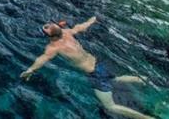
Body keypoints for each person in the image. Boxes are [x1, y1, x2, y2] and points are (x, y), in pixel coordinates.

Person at [21, 17, 153, 119]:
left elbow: (42, 59)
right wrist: (92, 20)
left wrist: (30, 70)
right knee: (115, 79)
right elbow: (80, 27)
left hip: (95, 74)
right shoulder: (67, 33)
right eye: (46, 26)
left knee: (110, 106)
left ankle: (146, 118)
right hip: (100, 64)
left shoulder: (54, 46)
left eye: (47, 26)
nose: (47, 25)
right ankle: (146, 80)